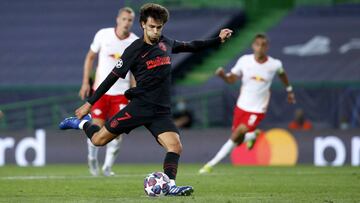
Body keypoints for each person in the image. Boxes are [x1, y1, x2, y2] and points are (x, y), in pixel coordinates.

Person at [59, 3, 232, 196]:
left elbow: (191, 46)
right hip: (139, 107)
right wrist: (89, 103)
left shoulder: (166, 43)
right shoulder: (134, 49)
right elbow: (111, 77)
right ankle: (82, 124)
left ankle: (169, 185)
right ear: (143, 25)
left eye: (159, 27)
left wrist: (218, 40)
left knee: (175, 146)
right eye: (152, 27)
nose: (156, 31)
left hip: (161, 111)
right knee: (99, 140)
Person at [199, 33, 296, 174]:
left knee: (237, 133)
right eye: (258, 44)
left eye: (263, 45)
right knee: (237, 140)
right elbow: (231, 79)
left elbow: (282, 74)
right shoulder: (244, 61)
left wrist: (289, 90)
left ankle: (210, 164)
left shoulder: (274, 64)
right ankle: (252, 135)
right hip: (242, 106)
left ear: (267, 47)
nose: (260, 48)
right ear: (253, 46)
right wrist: (223, 76)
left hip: (258, 109)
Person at [78, 7, 138, 177]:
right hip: (101, 92)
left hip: (121, 93)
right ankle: (92, 159)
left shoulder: (134, 42)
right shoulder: (103, 35)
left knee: (117, 132)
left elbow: (134, 70)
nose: (126, 23)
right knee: (96, 129)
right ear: (118, 19)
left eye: (130, 20)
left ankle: (107, 168)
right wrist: (85, 83)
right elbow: (90, 57)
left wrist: (134, 92)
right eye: (124, 19)